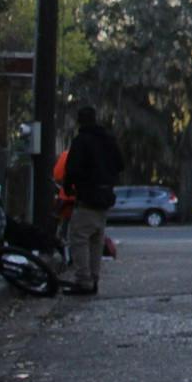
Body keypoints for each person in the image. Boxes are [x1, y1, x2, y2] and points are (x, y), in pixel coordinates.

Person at [60, 106, 122, 295]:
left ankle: (83, 280)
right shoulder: (108, 140)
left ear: (80, 121)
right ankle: (93, 278)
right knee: (96, 240)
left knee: (79, 239)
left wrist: (69, 185)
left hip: (87, 196)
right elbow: (121, 163)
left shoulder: (82, 141)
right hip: (105, 196)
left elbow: (72, 168)